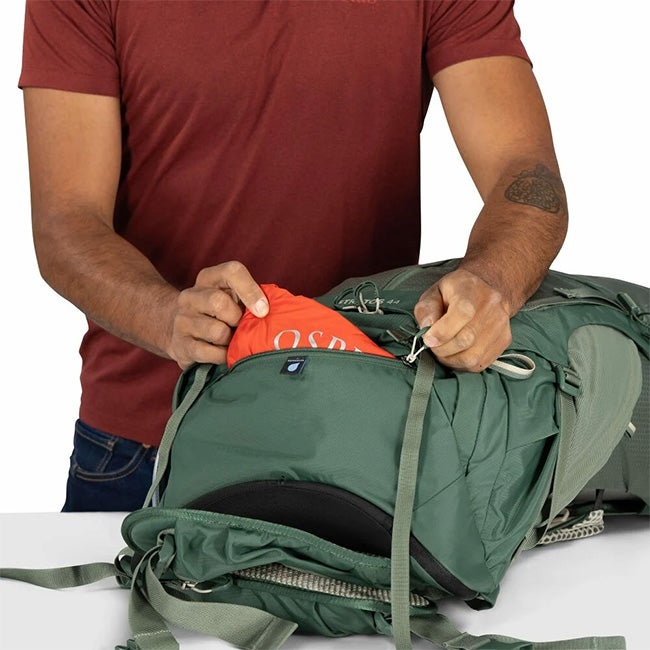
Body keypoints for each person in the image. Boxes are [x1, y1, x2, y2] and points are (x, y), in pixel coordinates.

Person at [18, 0, 568, 512]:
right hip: (151, 442)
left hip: (361, 435)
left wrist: (492, 282)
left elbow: (526, 171)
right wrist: (166, 317)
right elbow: (66, 223)